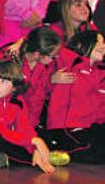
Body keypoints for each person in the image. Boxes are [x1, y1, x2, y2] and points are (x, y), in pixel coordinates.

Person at [0, 60, 55, 173]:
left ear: (14, 87)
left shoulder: (18, 102)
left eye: (3, 81)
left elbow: (25, 128)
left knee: (37, 139)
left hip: (4, 137)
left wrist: (34, 148)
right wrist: (32, 141)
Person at [0, 26, 61, 127]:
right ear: (37, 54)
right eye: (53, 56)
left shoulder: (44, 66)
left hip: (17, 116)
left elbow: (36, 99)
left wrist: (29, 127)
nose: (56, 58)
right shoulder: (7, 57)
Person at [45, 30, 105, 164]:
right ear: (83, 44)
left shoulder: (100, 72)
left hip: (90, 126)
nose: (103, 46)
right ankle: (51, 152)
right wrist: (51, 79)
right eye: (98, 41)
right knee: (92, 150)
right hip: (66, 127)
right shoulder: (68, 59)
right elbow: (41, 39)